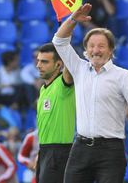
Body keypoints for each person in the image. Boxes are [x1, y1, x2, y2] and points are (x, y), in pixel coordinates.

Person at [52, 3, 128, 183]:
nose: (95, 51)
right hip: (80, 148)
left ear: (111, 50)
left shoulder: (124, 76)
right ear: (85, 50)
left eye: (101, 46)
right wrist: (74, 19)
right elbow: (58, 41)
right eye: (91, 46)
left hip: (111, 151)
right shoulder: (78, 68)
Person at [35, 43, 75, 183]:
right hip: (44, 151)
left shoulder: (64, 85)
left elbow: (70, 66)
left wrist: (63, 42)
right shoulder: (43, 89)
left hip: (59, 153)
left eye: (44, 61)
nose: (38, 65)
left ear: (59, 64)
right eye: (38, 61)